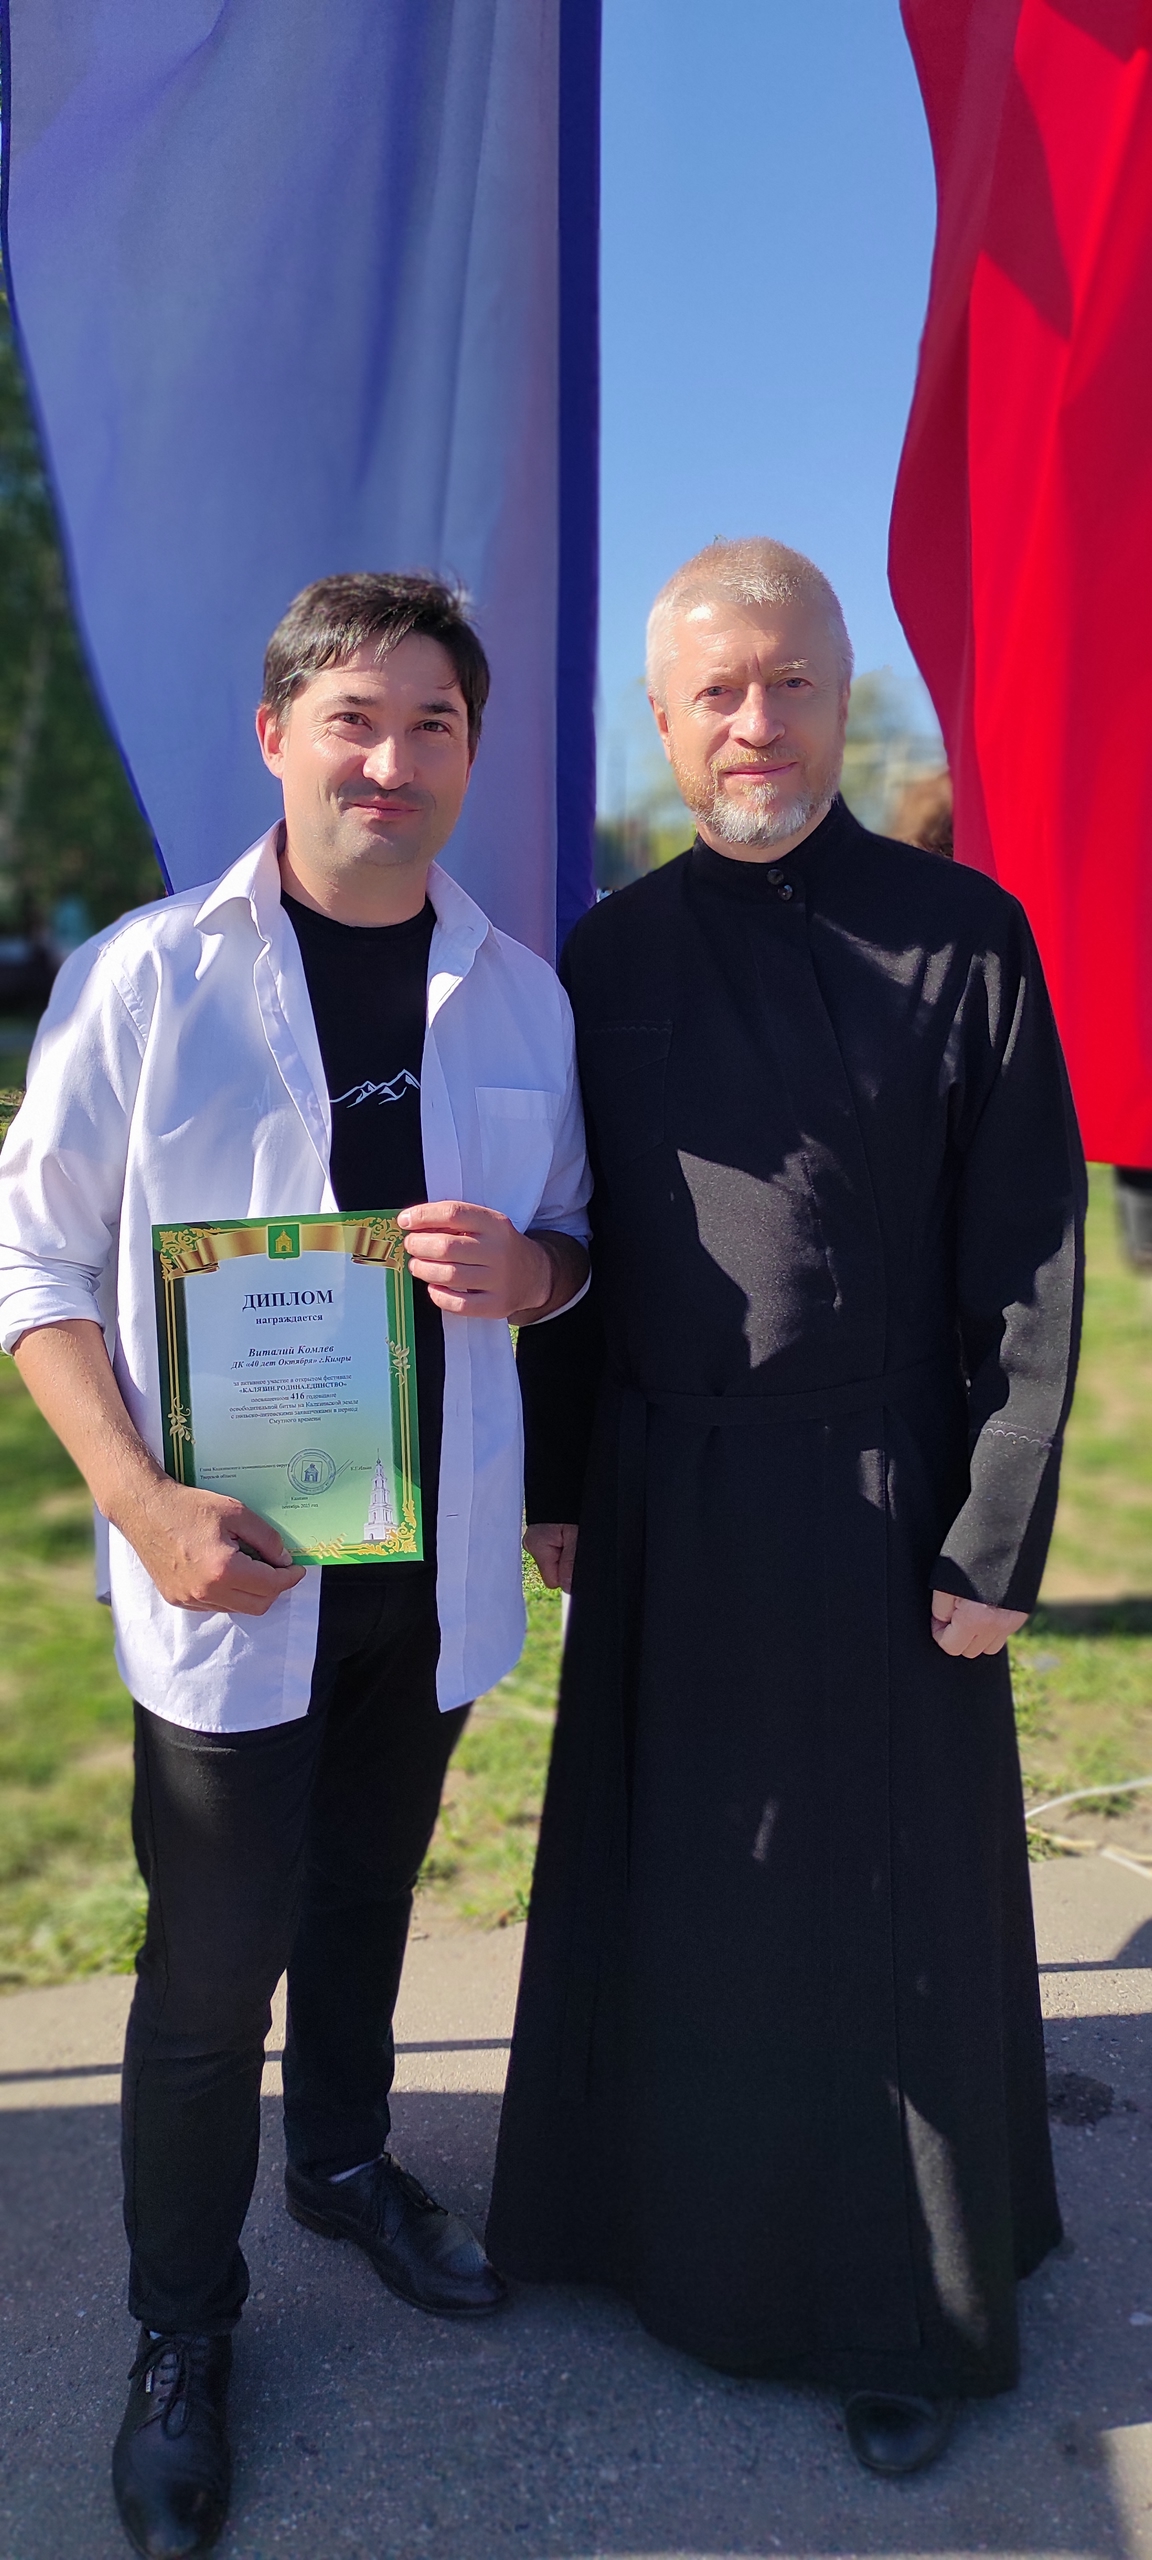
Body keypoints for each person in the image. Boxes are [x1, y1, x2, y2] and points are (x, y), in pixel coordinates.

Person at [0, 572, 589, 2559]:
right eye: (355, 717)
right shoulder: (144, 979)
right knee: (206, 1966)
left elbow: (573, 1244)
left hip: (425, 1572)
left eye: (433, 724)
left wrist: (534, 1273)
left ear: (470, 755)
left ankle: (341, 2164)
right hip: (227, 1572)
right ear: (276, 737)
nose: (391, 760)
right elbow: (31, 1266)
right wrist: (142, 1503)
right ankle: (182, 2329)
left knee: (364, 1900)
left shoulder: (520, 993)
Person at [487, 538, 1085, 2478]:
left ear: (845, 696)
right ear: (664, 722)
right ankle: (644, 2225)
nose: (758, 724)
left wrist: (995, 1535)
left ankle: (895, 2304)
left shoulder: (967, 936)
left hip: (877, 1498)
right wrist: (562, 1481)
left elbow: (1030, 1258)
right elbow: (581, 1236)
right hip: (664, 1492)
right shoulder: (603, 957)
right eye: (718, 693)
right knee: (681, 1881)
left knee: (877, 1914)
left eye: (793, 683)